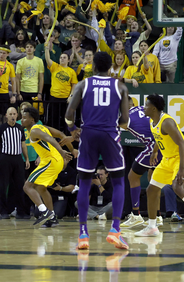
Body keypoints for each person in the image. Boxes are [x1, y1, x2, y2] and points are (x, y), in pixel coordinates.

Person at [64, 52, 130, 250]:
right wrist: (114, 124)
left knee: (84, 183)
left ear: (93, 66)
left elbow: (69, 114)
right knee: (118, 181)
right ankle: (115, 230)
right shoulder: (120, 86)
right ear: (111, 68)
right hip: (110, 134)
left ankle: (83, 234)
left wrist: (72, 129)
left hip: (89, 134)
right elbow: (125, 121)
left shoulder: (83, 84)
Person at [135, 94, 184, 238]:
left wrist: (182, 168)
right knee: (151, 190)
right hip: (167, 159)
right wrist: (154, 152)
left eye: (146, 105)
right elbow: (158, 138)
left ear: (153, 108)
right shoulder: (153, 121)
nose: (144, 107)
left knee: (177, 187)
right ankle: (152, 227)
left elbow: (182, 144)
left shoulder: (167, 122)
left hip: (181, 157)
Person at [21, 107, 73, 227]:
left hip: (50, 160)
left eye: (24, 118)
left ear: (32, 119)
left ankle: (44, 212)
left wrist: (61, 151)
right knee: (40, 187)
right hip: (56, 161)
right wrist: (72, 150)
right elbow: (60, 134)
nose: (22, 120)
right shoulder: (43, 127)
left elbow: (50, 138)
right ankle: (52, 217)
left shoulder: (34, 130)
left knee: (27, 186)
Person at [121, 100, 162, 228]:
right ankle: (158, 216)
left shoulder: (125, 118)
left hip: (154, 147)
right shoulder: (141, 109)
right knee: (153, 179)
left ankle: (136, 215)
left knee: (132, 177)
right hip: (164, 143)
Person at [0, 107, 30, 219]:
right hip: (5, 158)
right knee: (3, 185)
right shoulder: (1, 128)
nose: (12, 116)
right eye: (10, 114)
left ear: (17, 115)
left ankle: (21, 211)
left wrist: (26, 158)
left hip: (18, 158)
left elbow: (23, 144)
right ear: (6, 115)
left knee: (20, 186)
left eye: (14, 114)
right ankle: (3, 211)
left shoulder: (20, 128)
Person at [44, 36, 78, 131]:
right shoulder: (55, 67)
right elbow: (48, 59)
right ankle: (54, 136)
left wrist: (71, 95)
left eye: (64, 58)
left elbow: (74, 84)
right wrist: (47, 49)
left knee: (66, 119)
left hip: (66, 98)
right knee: (53, 118)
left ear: (68, 60)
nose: (62, 59)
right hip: (54, 96)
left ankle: (66, 136)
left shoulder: (71, 71)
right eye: (61, 57)